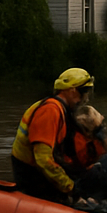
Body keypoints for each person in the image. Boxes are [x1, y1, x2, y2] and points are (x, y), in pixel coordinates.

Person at [11, 68, 95, 202]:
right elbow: (43, 160)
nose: (86, 99)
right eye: (84, 93)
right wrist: (71, 189)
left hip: (38, 173)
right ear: (73, 91)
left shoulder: (61, 110)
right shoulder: (50, 111)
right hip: (32, 178)